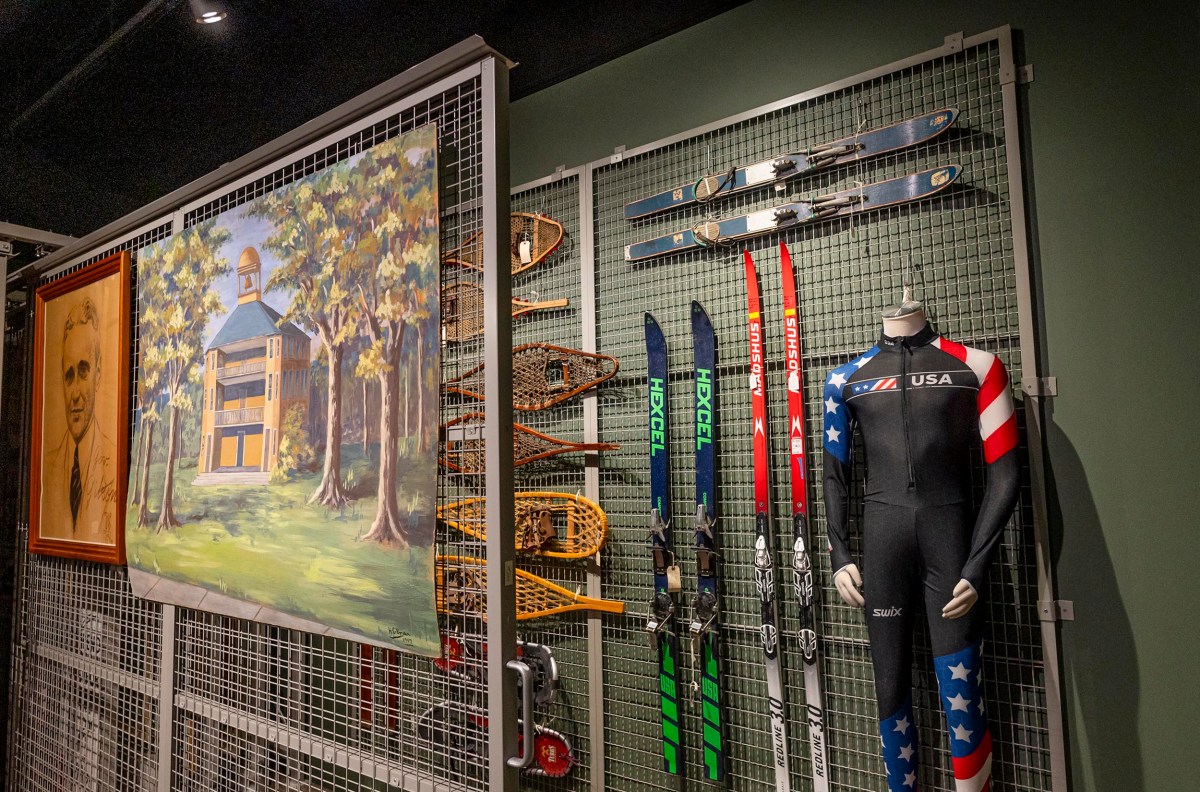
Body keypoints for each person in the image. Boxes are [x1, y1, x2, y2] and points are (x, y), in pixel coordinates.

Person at [822, 295, 1019, 792]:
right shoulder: (845, 379)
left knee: (962, 686)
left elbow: (1006, 474)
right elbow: (833, 477)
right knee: (888, 687)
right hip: (882, 548)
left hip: (950, 542)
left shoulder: (978, 366)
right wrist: (840, 554)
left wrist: (976, 566)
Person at [41, 297, 116, 544]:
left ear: (98, 372)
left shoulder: (113, 462)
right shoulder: (48, 467)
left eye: (83, 372)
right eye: (69, 376)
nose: (74, 394)